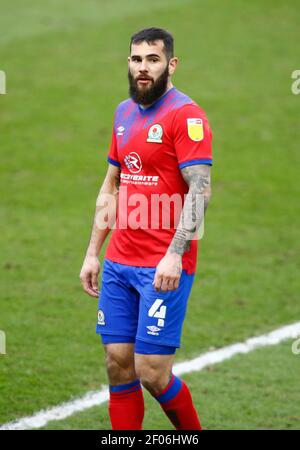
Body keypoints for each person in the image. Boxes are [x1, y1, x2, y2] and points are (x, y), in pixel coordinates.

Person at [80, 27, 213, 430]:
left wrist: (174, 254)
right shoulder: (123, 112)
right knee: (118, 366)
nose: (143, 68)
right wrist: (92, 252)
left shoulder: (185, 115)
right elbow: (112, 186)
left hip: (162, 268)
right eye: (136, 59)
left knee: (153, 372)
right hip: (120, 263)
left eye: (152, 60)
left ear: (170, 64)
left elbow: (200, 190)